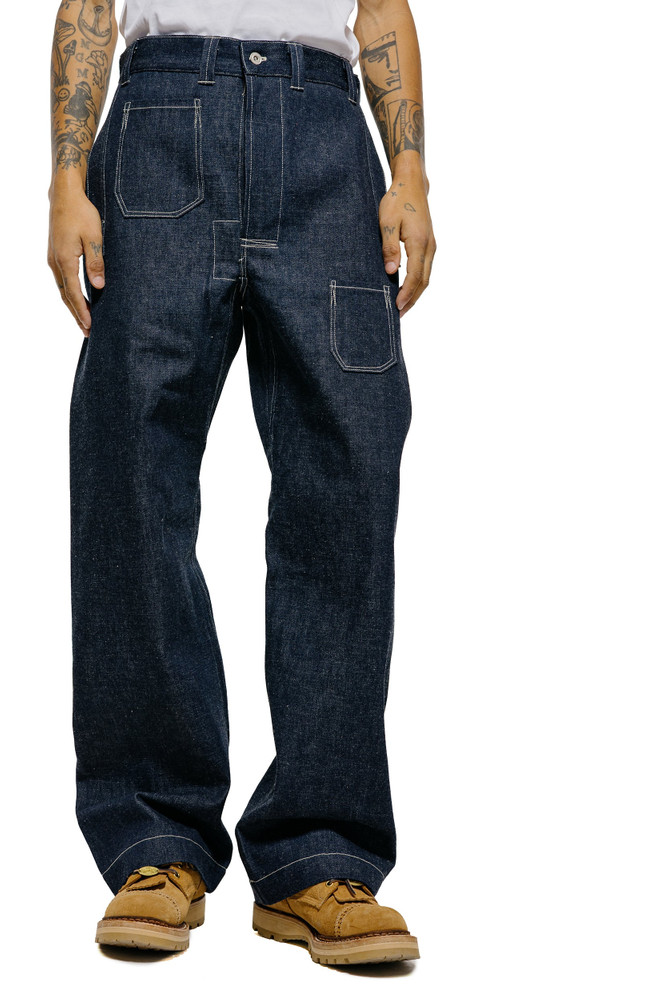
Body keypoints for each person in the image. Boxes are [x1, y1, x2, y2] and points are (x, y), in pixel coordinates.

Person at [47, 0, 435, 966]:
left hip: (327, 139)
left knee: (348, 483)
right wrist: (65, 177)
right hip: (160, 130)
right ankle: (156, 843)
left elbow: (379, 5)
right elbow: (90, 4)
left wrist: (411, 173)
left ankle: (320, 855)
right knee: (131, 481)